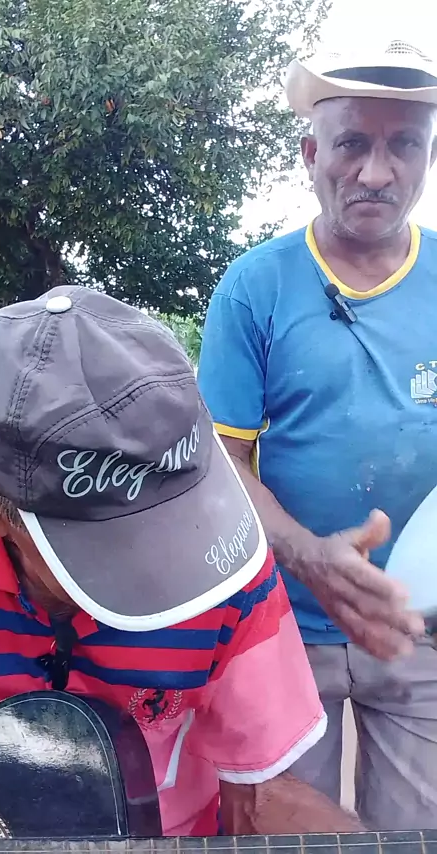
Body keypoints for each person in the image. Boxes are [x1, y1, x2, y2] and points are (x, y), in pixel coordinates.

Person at [0, 285, 362, 840]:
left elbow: (258, 792)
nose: (160, 565)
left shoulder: (224, 563)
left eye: (169, 516)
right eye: (111, 544)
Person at [198, 40, 437, 830]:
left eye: (404, 145)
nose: (376, 172)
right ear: (310, 154)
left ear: (428, 157)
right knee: (289, 833)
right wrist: (308, 556)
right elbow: (220, 461)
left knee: (417, 835)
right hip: (281, 626)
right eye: (351, 144)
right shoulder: (255, 287)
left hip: (418, 631)